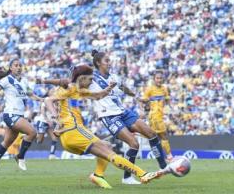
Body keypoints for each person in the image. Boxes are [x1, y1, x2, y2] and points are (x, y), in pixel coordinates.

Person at [44, 64, 169, 189]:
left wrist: (109, 88)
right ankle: (143, 174)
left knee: (107, 146)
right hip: (74, 130)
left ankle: (98, 175)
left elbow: (98, 95)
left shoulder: (75, 90)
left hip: (68, 136)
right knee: (110, 154)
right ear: (81, 78)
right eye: (90, 79)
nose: (91, 81)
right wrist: (56, 119)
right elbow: (48, 100)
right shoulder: (70, 88)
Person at [88, 50, 168, 185]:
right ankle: (127, 178)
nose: (109, 63)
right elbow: (76, 78)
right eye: (106, 61)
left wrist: (135, 96)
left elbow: (123, 87)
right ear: (98, 63)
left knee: (151, 133)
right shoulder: (91, 78)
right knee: (134, 143)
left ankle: (164, 167)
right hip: (109, 116)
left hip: (123, 112)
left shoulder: (113, 76)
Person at [0, 59, 44, 176]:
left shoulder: (24, 81)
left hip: (19, 115)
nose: (18, 67)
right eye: (16, 65)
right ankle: (20, 156)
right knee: (32, 132)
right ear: (11, 68)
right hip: (11, 114)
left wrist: (42, 99)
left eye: (20, 65)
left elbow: (31, 95)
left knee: (6, 142)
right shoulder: (7, 79)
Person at [140, 70, 173, 160]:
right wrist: (142, 111)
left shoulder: (164, 89)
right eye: (157, 78)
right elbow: (142, 100)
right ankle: (169, 156)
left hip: (160, 115)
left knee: (154, 137)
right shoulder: (150, 89)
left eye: (161, 78)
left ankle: (162, 157)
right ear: (154, 79)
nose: (159, 80)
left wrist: (170, 110)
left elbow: (167, 100)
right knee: (163, 135)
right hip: (154, 116)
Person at [34, 90, 59, 160]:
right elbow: (42, 111)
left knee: (54, 138)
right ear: (48, 93)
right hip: (43, 121)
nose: (54, 92)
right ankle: (30, 135)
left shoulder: (56, 102)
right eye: (52, 91)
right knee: (39, 141)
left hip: (50, 123)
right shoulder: (46, 100)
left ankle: (52, 155)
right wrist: (47, 120)